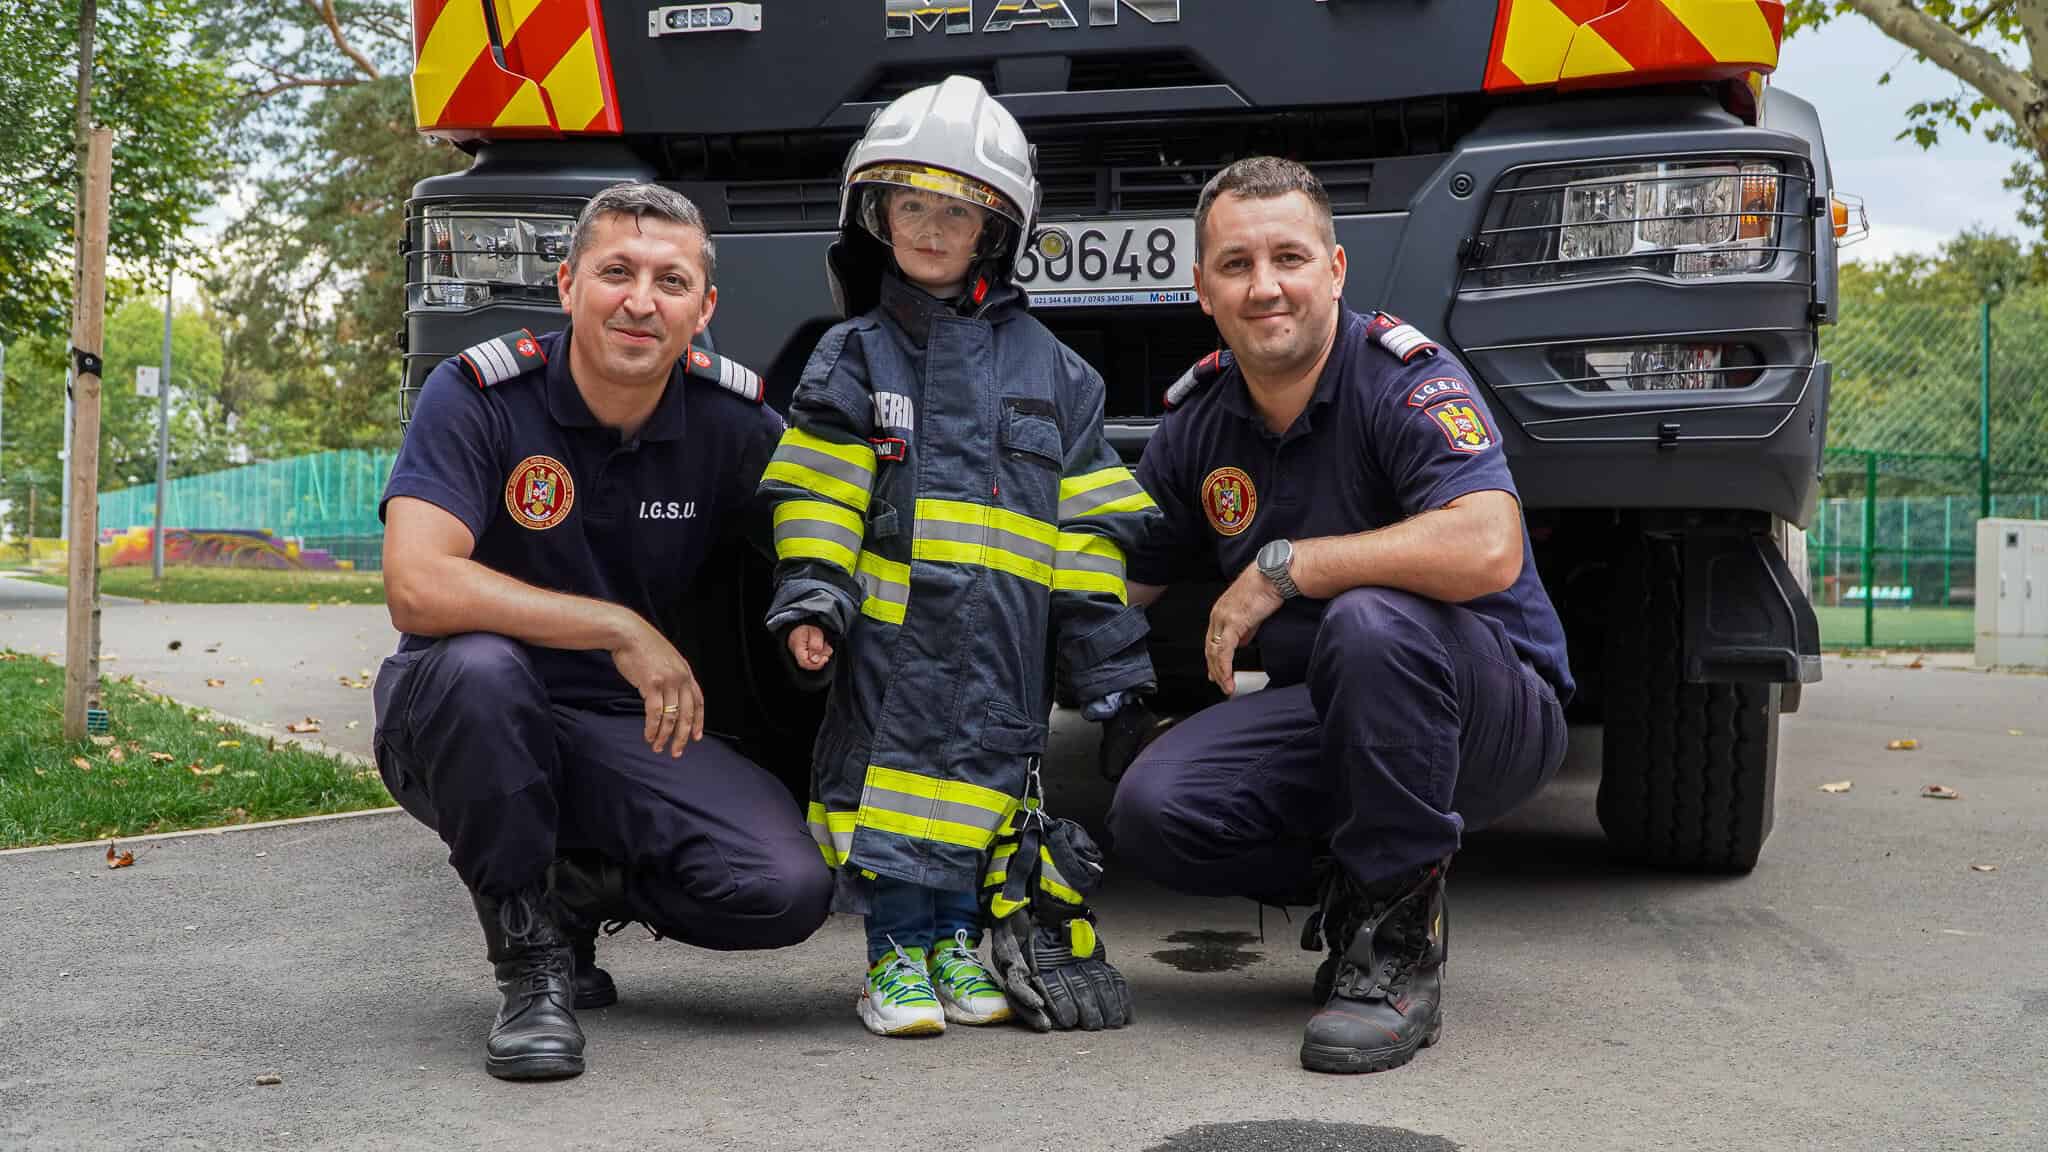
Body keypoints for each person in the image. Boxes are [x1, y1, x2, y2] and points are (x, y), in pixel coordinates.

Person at [1105, 157, 1575, 1074]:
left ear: (1336, 271)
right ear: (1201, 288)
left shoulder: (1406, 378)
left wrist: (1289, 569)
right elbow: (1121, 580)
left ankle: (1396, 955)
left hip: (1488, 713)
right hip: (1335, 713)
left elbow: (1489, 546)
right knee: (1151, 807)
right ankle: (1371, 883)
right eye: (1235, 265)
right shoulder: (1198, 419)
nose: (1265, 285)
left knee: (1367, 620)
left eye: (1289, 257)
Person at [372, 182, 831, 1081]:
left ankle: (569, 888)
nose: (639, 300)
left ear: (703, 310)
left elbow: (827, 535)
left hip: (623, 727)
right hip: (462, 713)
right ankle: (531, 965)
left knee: (786, 889)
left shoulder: (734, 421)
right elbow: (417, 585)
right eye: (616, 271)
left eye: (670, 281)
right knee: (479, 672)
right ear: (567, 285)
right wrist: (617, 626)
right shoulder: (477, 396)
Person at [759, 75, 1156, 1038]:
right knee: (888, 799)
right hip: (889, 646)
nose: (932, 230)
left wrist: (1108, 663)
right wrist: (813, 596)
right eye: (912, 207)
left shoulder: (1060, 374)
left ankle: (952, 945)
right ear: (877, 215)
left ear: (995, 231)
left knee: (981, 795)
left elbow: (1089, 524)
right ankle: (892, 960)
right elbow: (819, 492)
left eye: (957, 211)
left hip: (1002, 650)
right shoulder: (852, 357)